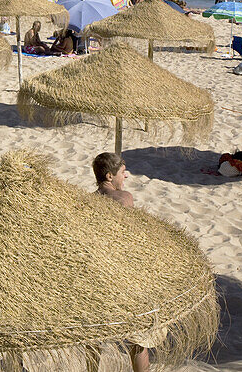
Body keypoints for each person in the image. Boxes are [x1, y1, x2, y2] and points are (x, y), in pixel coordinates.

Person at [89, 152, 150, 372]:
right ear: (109, 176)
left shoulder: (88, 201)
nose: (126, 176)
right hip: (123, 273)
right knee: (137, 336)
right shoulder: (124, 199)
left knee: (94, 337)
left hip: (97, 273)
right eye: (122, 173)